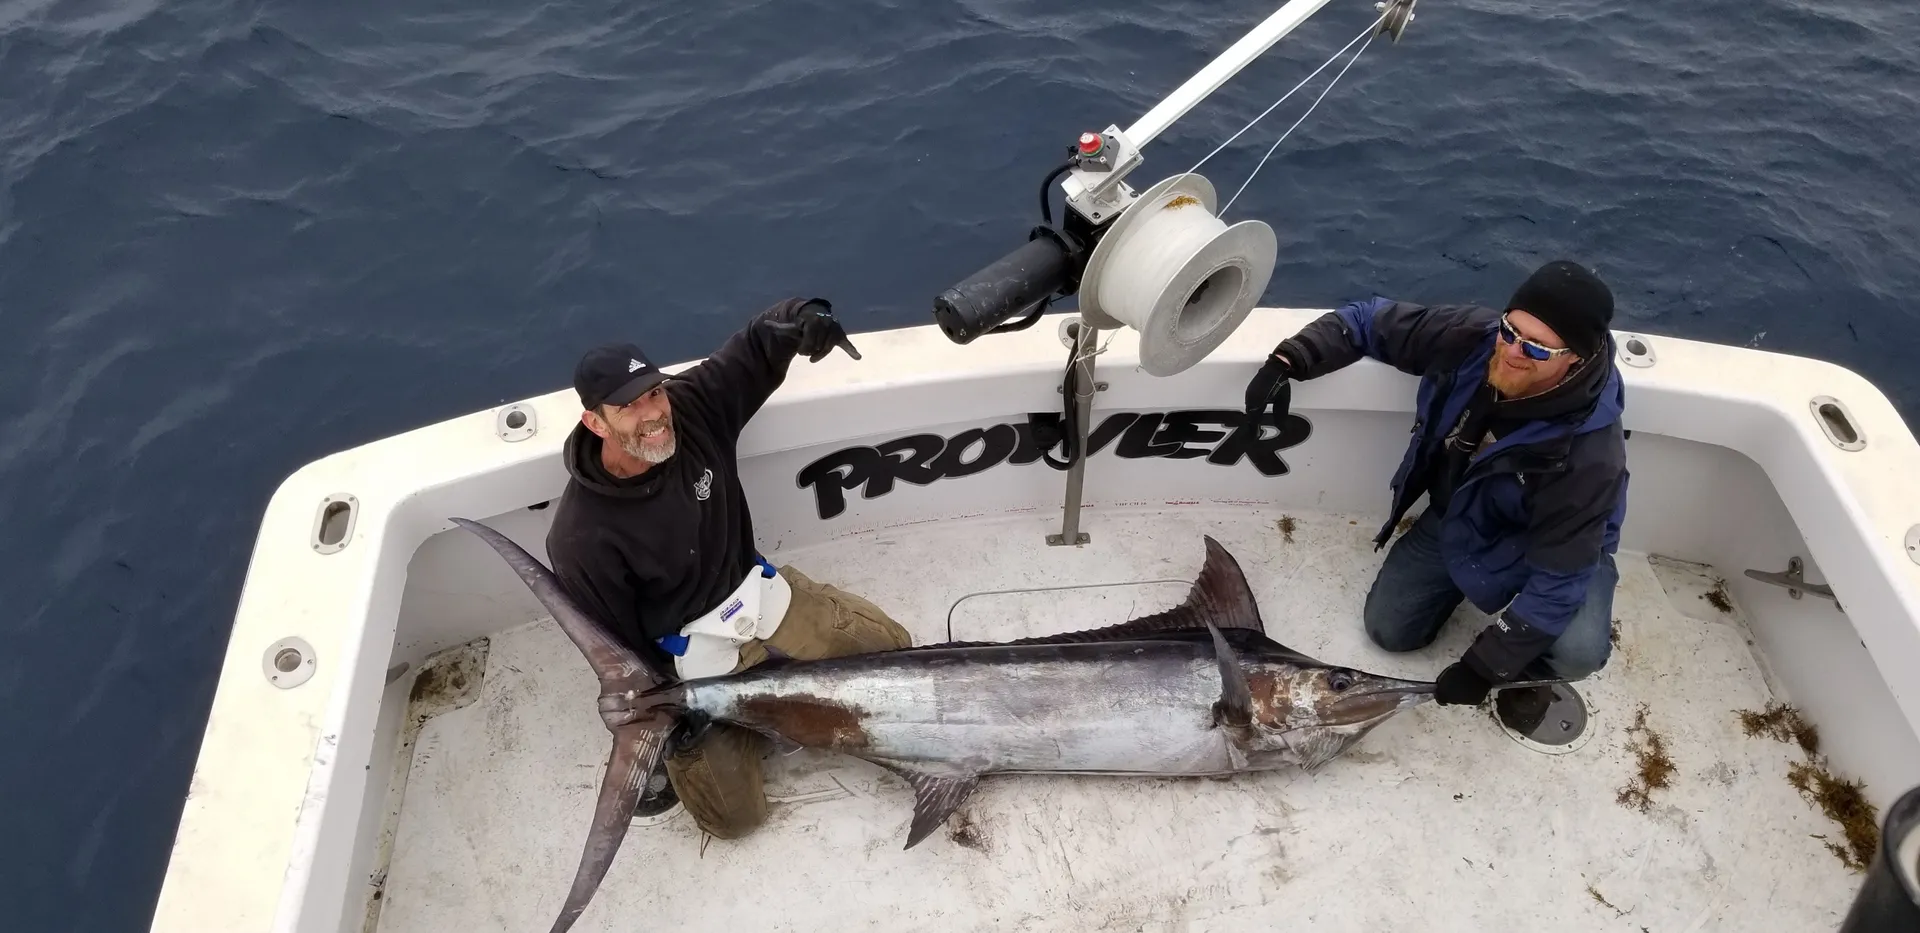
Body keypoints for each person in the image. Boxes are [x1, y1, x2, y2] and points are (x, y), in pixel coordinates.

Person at [544, 297, 913, 839]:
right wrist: (669, 714)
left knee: (897, 652)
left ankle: (785, 674)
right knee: (735, 820)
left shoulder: (693, 409)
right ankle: (717, 734)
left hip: (759, 596)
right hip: (695, 658)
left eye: (654, 393)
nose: (653, 414)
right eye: (629, 407)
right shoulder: (580, 538)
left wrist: (803, 318)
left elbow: (755, 346)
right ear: (595, 422)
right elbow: (620, 649)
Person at [1243, 260, 1628, 731]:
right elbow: (1366, 320)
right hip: (1461, 517)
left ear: (1576, 359)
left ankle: (1530, 673)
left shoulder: (1589, 457)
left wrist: (1484, 668)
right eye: (1511, 330)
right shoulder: (1473, 338)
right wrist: (1289, 361)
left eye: (1536, 348)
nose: (1512, 352)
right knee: (1388, 630)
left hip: (1553, 549)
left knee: (1578, 652)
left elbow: (1559, 583)